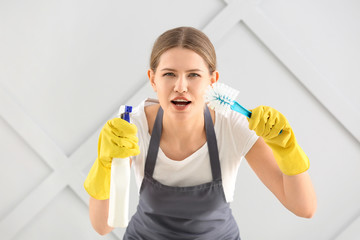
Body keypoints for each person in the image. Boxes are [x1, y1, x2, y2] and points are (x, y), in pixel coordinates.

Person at [84, 26, 317, 239]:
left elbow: (304, 208)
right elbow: (102, 226)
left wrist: (287, 150)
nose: (181, 86)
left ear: (212, 81)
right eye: (169, 74)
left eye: (194, 74)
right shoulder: (129, 129)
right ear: (152, 79)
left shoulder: (232, 126)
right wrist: (104, 164)